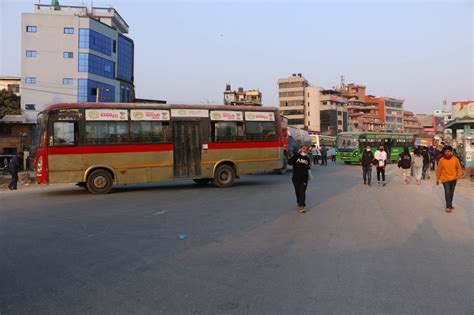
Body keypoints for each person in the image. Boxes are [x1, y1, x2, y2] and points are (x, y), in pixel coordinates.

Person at [436, 145, 462, 213]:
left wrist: (458, 175)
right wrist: (437, 179)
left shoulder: (455, 159)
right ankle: (448, 206)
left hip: (454, 178)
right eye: (446, 151)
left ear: (451, 152)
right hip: (445, 179)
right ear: (444, 152)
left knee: (451, 192)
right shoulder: (441, 160)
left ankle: (450, 204)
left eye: (449, 151)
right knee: (447, 192)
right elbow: (439, 170)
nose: (447, 153)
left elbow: (459, 168)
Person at [288, 145, 311, 213]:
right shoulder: (296, 156)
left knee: (302, 191)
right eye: (303, 149)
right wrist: (297, 154)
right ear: (300, 149)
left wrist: (310, 175)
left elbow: (308, 167)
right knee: (297, 191)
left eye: (306, 149)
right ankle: (299, 201)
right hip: (296, 178)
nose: (304, 150)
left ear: (307, 151)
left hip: (304, 178)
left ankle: (302, 206)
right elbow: (289, 163)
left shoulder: (307, 158)